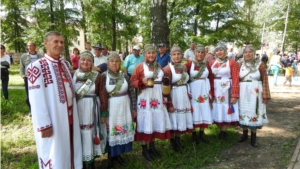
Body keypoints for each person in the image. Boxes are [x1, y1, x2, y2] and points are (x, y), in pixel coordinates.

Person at [27, 31, 82, 169]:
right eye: (55, 41)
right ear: (46, 43)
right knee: (55, 152)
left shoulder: (64, 63)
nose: (59, 44)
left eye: (61, 42)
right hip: (53, 119)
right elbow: (35, 98)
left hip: (70, 116)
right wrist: (44, 124)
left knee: (69, 148)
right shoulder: (36, 66)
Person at [130, 44, 172, 161]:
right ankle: (144, 149)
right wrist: (141, 81)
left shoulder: (159, 66)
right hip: (145, 97)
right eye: (149, 53)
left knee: (153, 121)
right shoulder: (139, 67)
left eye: (153, 53)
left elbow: (165, 76)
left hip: (158, 97)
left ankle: (152, 147)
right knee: (145, 121)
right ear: (145, 54)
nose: (151, 55)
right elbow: (132, 81)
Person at [99, 52, 136, 168]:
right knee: (112, 131)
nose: (114, 63)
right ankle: (111, 156)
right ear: (108, 63)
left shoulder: (124, 76)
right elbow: (101, 95)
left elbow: (132, 92)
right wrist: (103, 111)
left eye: (116, 61)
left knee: (122, 130)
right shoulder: (103, 76)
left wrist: (134, 108)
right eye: (112, 61)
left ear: (120, 63)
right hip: (111, 108)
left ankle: (119, 154)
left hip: (125, 107)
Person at [73, 51, 107, 169]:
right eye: (83, 59)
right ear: (79, 61)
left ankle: (91, 161)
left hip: (92, 109)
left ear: (92, 63)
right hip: (77, 110)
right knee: (79, 133)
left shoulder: (97, 76)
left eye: (89, 60)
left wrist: (103, 112)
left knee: (90, 133)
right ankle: (80, 162)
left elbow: (103, 94)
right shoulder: (73, 74)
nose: (85, 62)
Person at [238, 45, 270, 147]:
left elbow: (265, 79)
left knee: (254, 111)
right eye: (246, 52)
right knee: (243, 110)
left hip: (255, 91)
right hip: (242, 91)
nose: (248, 54)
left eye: (250, 52)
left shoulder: (260, 64)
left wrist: (265, 95)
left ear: (253, 53)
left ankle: (253, 137)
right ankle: (244, 135)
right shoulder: (239, 64)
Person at [163, 45, 193, 151]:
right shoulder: (167, 69)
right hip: (174, 95)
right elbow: (166, 89)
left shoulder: (184, 67)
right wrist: (169, 103)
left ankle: (178, 139)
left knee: (180, 117)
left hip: (183, 95)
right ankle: (172, 141)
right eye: (174, 54)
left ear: (182, 55)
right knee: (173, 118)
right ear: (171, 56)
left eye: (178, 54)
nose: (176, 57)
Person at [209, 41, 240, 141]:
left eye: (221, 50)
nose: (219, 52)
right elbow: (209, 77)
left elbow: (235, 78)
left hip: (227, 90)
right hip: (216, 89)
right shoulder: (212, 63)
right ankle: (219, 128)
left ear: (225, 51)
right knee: (218, 108)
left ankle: (223, 131)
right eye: (217, 51)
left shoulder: (232, 62)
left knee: (226, 108)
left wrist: (234, 94)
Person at [185, 44, 214, 144]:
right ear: (195, 53)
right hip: (193, 91)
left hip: (204, 90)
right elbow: (183, 76)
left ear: (205, 54)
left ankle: (202, 134)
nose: (200, 54)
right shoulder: (189, 64)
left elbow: (211, 78)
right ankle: (194, 134)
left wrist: (211, 93)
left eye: (202, 52)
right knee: (194, 110)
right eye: (198, 52)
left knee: (203, 109)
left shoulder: (207, 65)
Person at [20, 42, 44, 115]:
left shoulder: (40, 56)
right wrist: (23, 75)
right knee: (29, 95)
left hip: (39, 78)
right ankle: (31, 110)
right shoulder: (24, 56)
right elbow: (21, 67)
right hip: (28, 78)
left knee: (39, 94)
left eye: (30, 45)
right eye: (28, 46)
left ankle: (40, 109)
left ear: (35, 46)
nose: (29, 47)